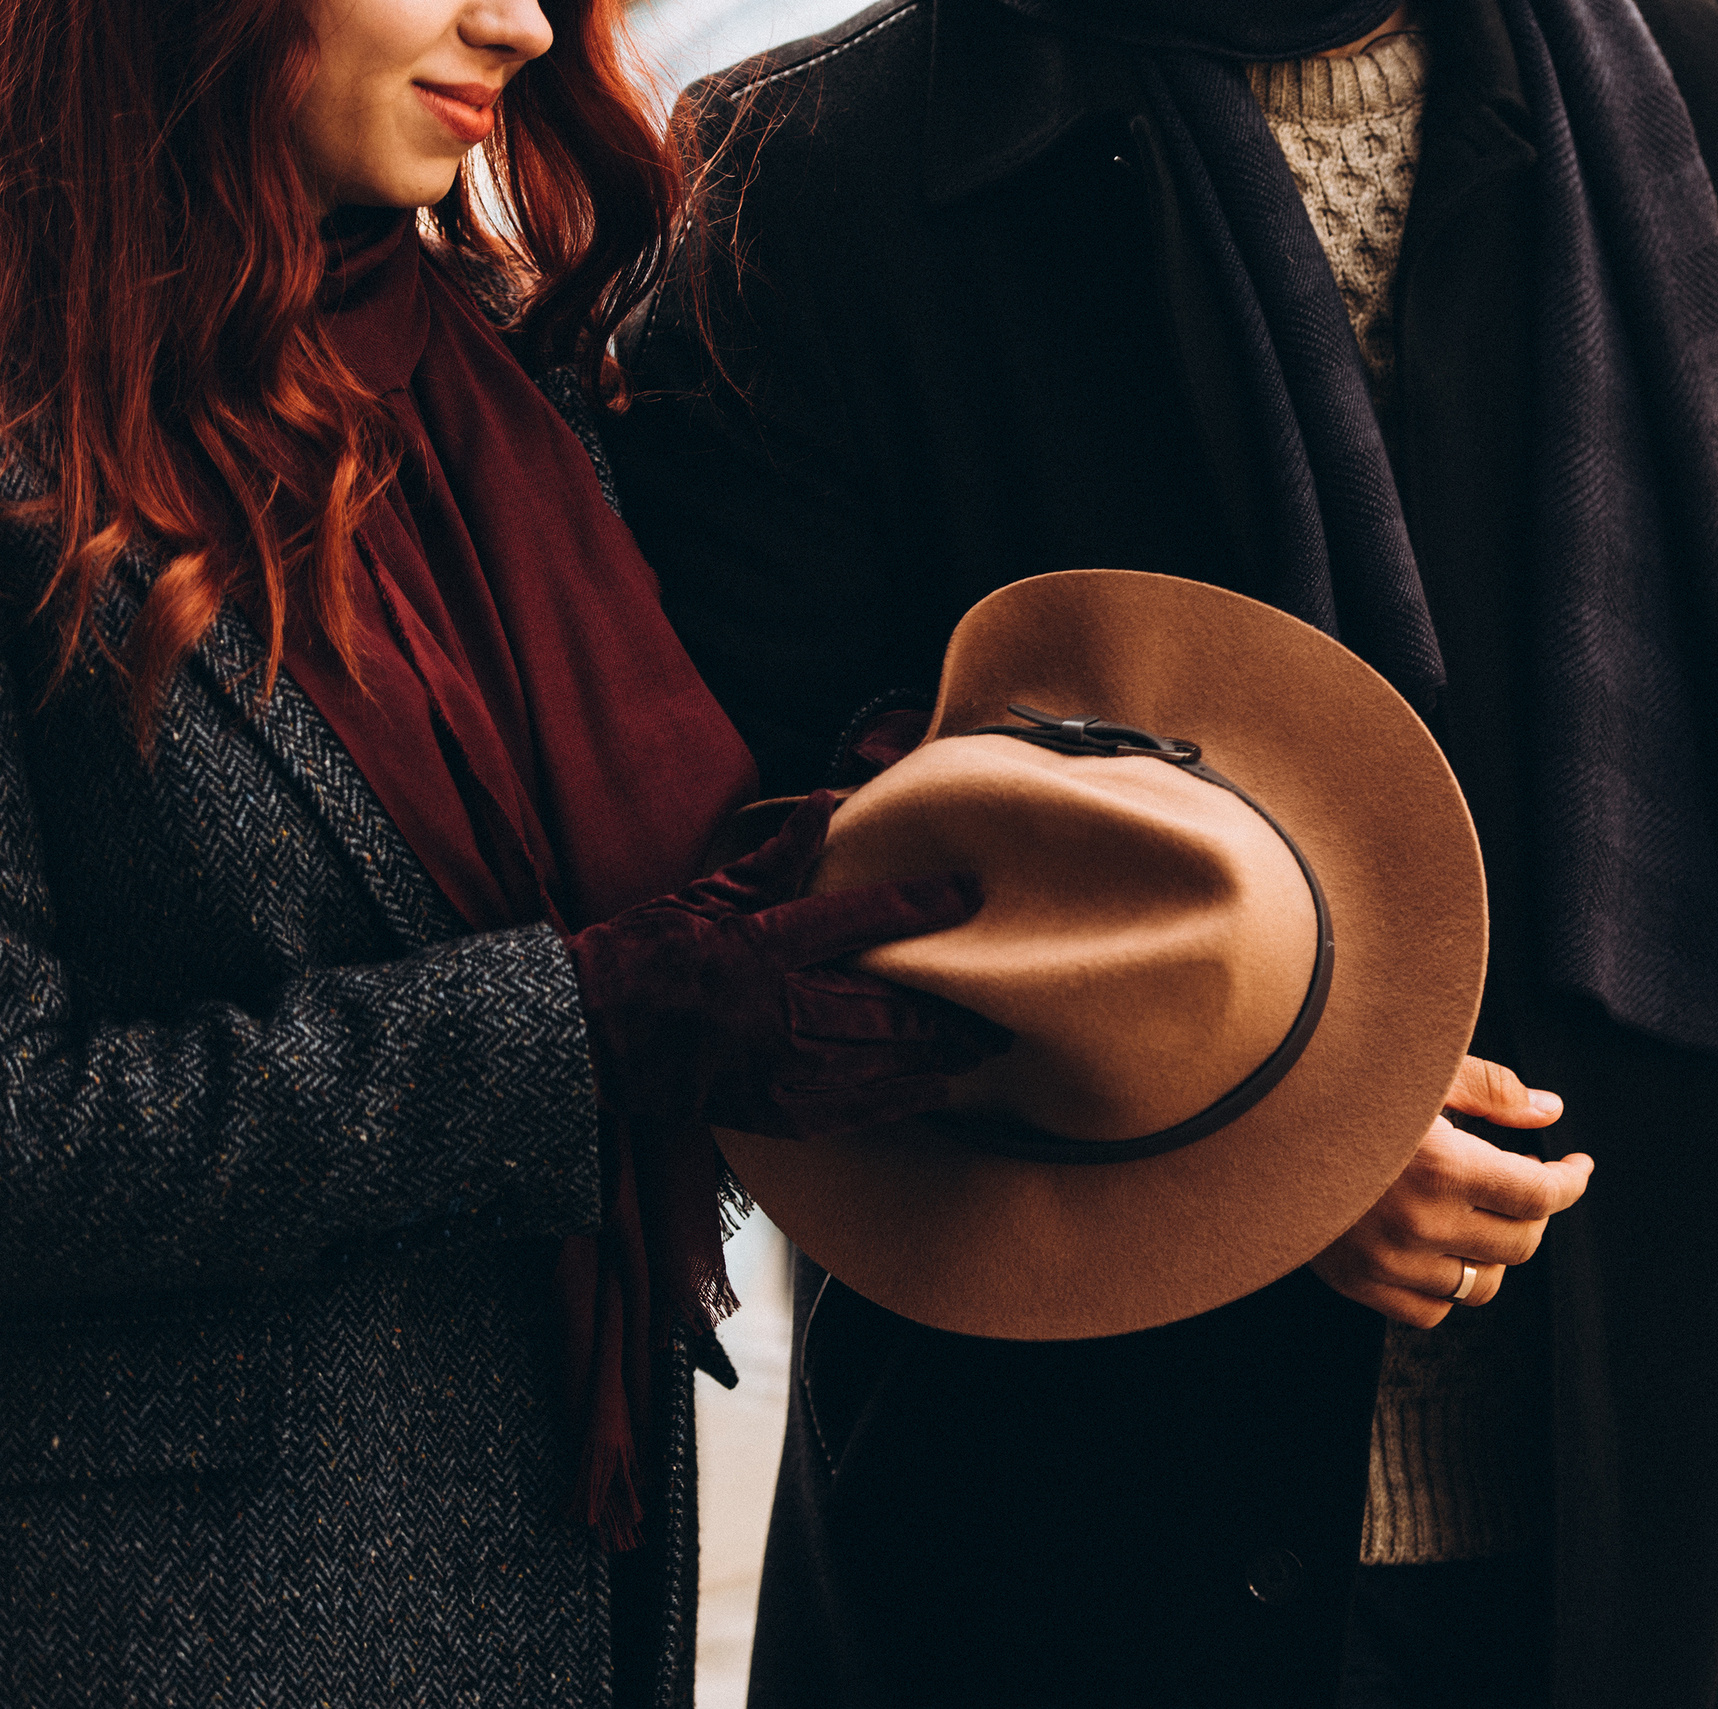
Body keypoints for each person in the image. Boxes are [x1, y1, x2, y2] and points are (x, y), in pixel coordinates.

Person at [610, 0, 1718, 1702]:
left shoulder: (1679, 79)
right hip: (1056, 1525)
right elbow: (752, 887)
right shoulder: (808, 165)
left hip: (1599, 1508)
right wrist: (1274, 1153)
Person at [0, 2, 992, 1703]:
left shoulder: (509, 384)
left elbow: (646, 905)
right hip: (179, 1629)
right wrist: (584, 1032)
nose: (519, 23)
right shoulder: (33, 428)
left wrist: (825, 853)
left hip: (568, 1577)